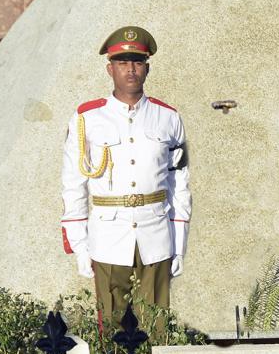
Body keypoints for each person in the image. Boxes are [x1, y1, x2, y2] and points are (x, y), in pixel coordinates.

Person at [61, 26, 192, 333]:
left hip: (155, 235)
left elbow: (179, 185)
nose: (130, 69)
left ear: (147, 67)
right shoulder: (87, 118)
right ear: (110, 69)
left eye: (137, 62)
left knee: (156, 329)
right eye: (122, 63)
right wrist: (80, 246)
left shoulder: (168, 118)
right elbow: (73, 185)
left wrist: (180, 244)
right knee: (113, 328)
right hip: (108, 236)